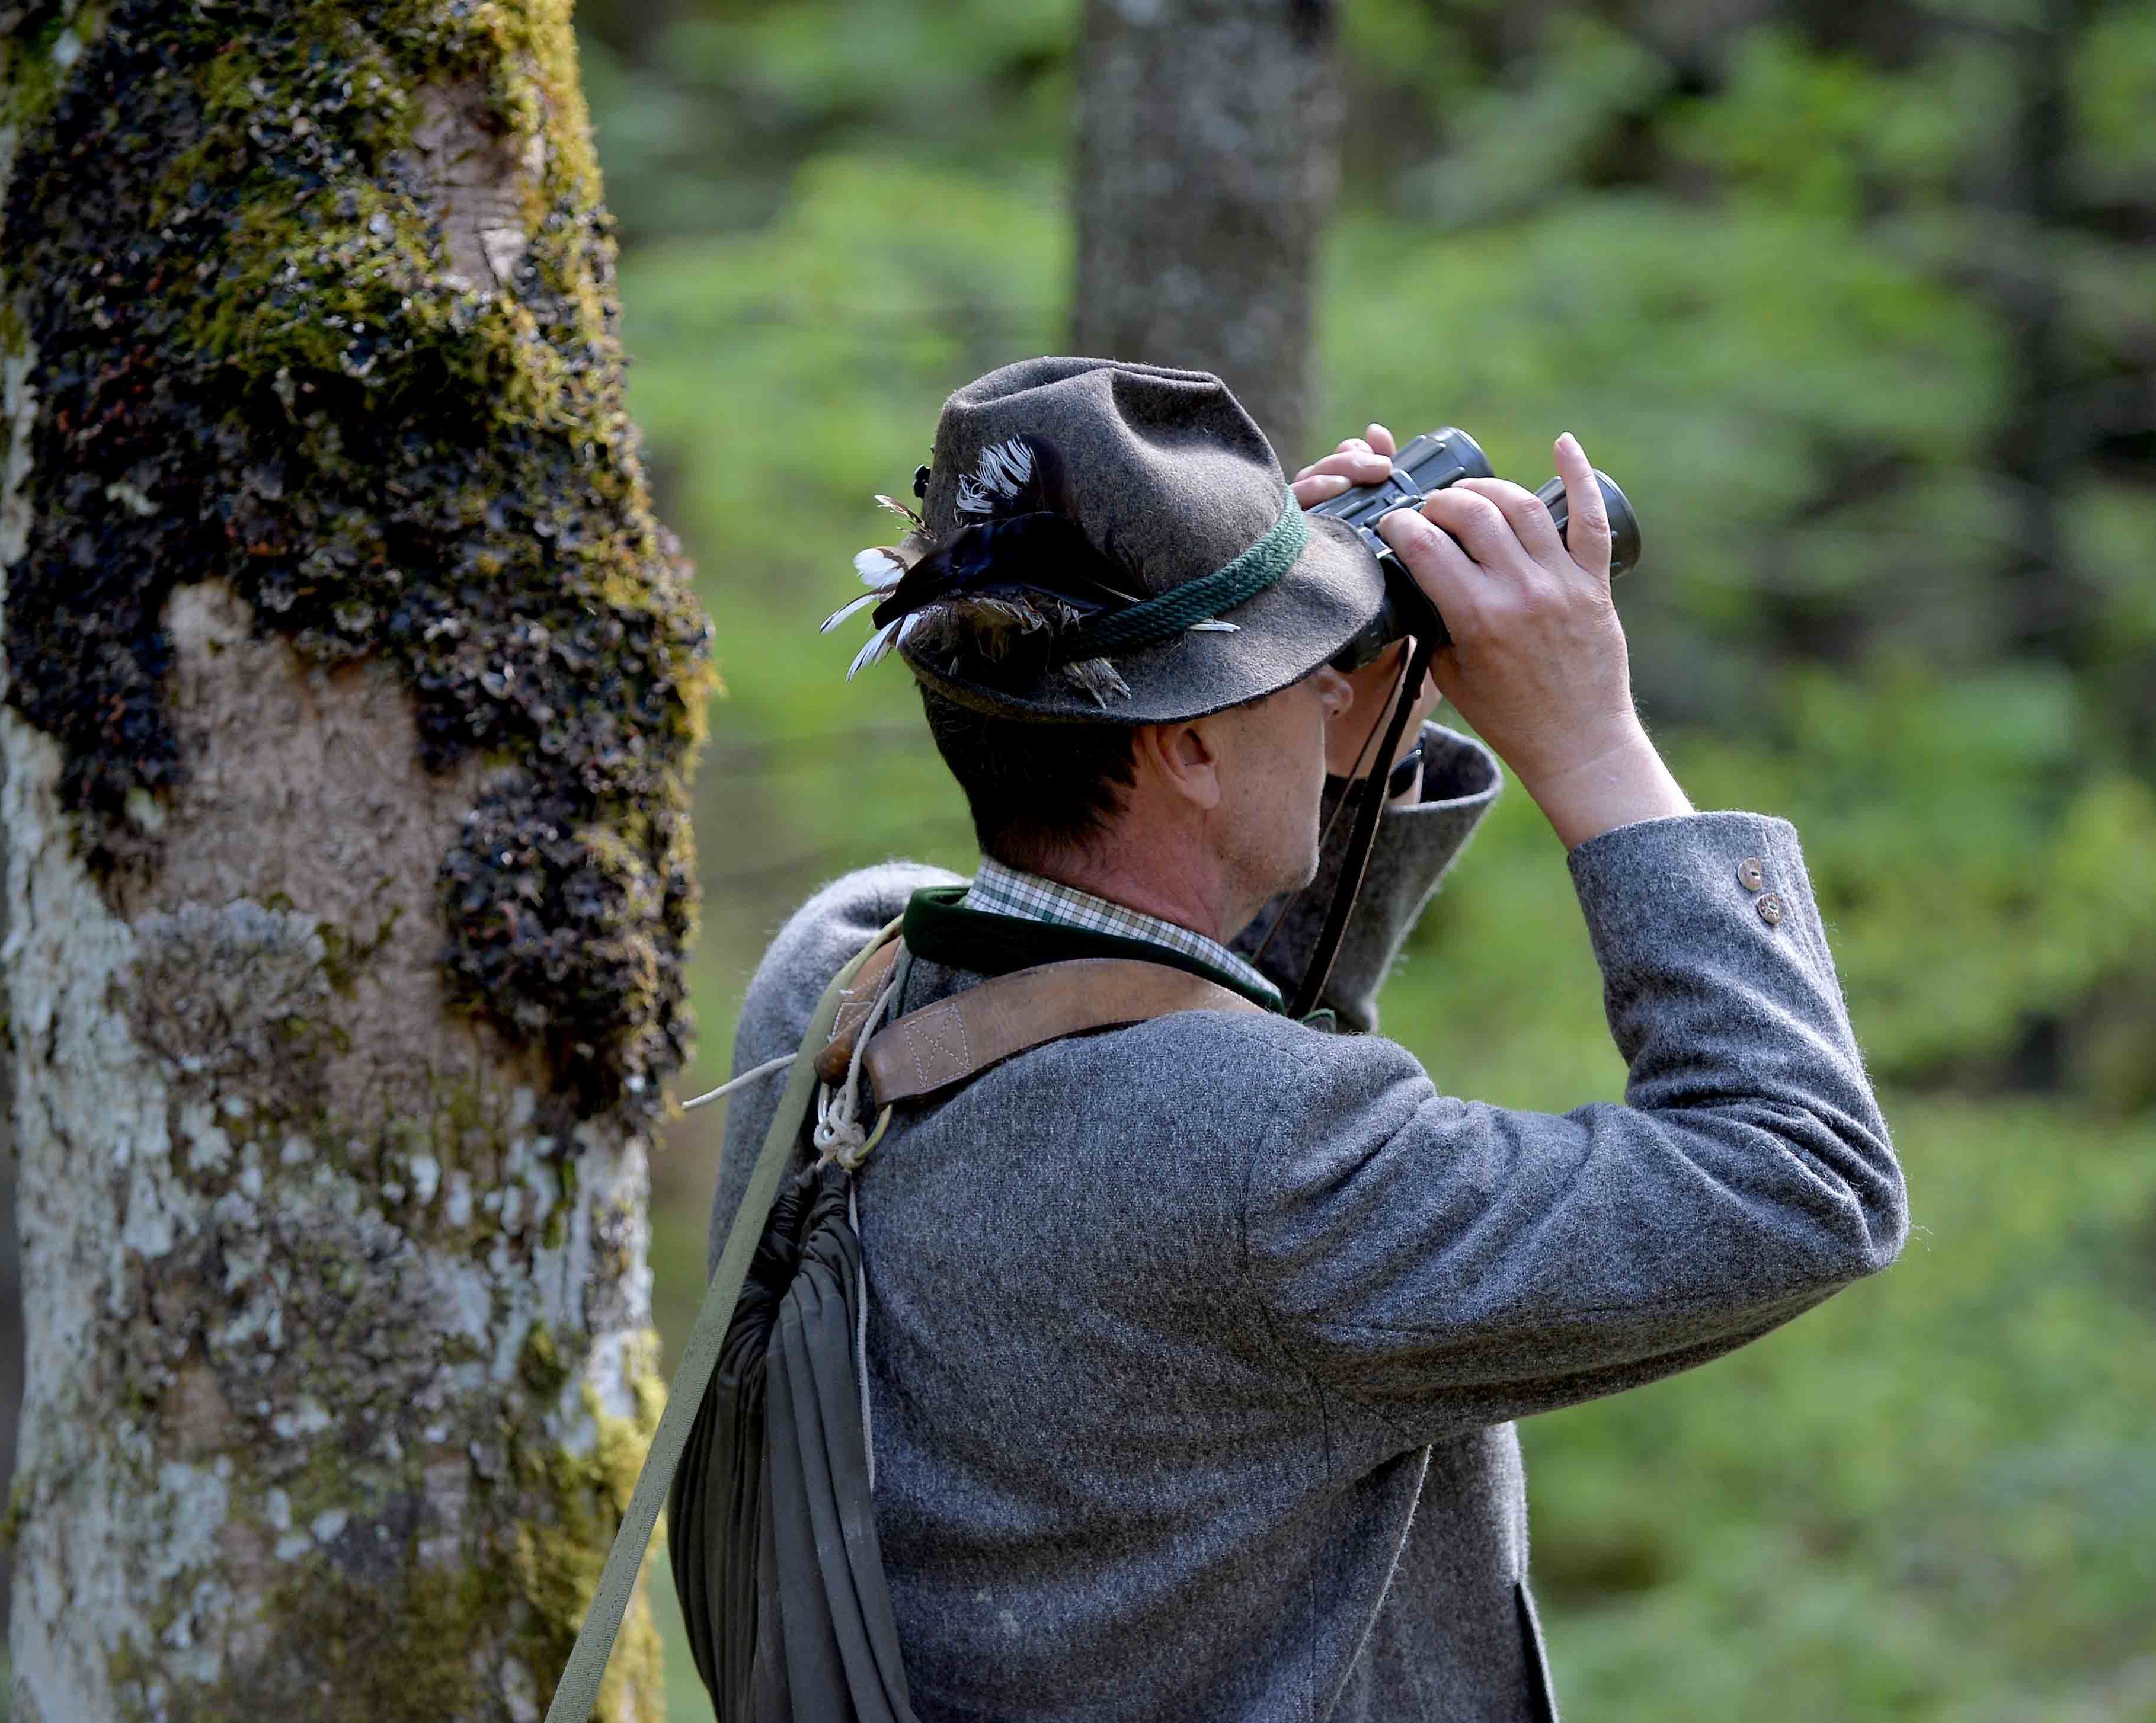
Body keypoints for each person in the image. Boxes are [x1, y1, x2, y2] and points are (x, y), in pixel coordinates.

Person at [708, 357, 1905, 1721]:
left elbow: (1158, 1004)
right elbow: (1800, 1176)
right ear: (1193, 752)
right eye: (1293, 669)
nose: (1326, 683)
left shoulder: (831, 981)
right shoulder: (1267, 1159)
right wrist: (1590, 745)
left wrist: (1324, 712)